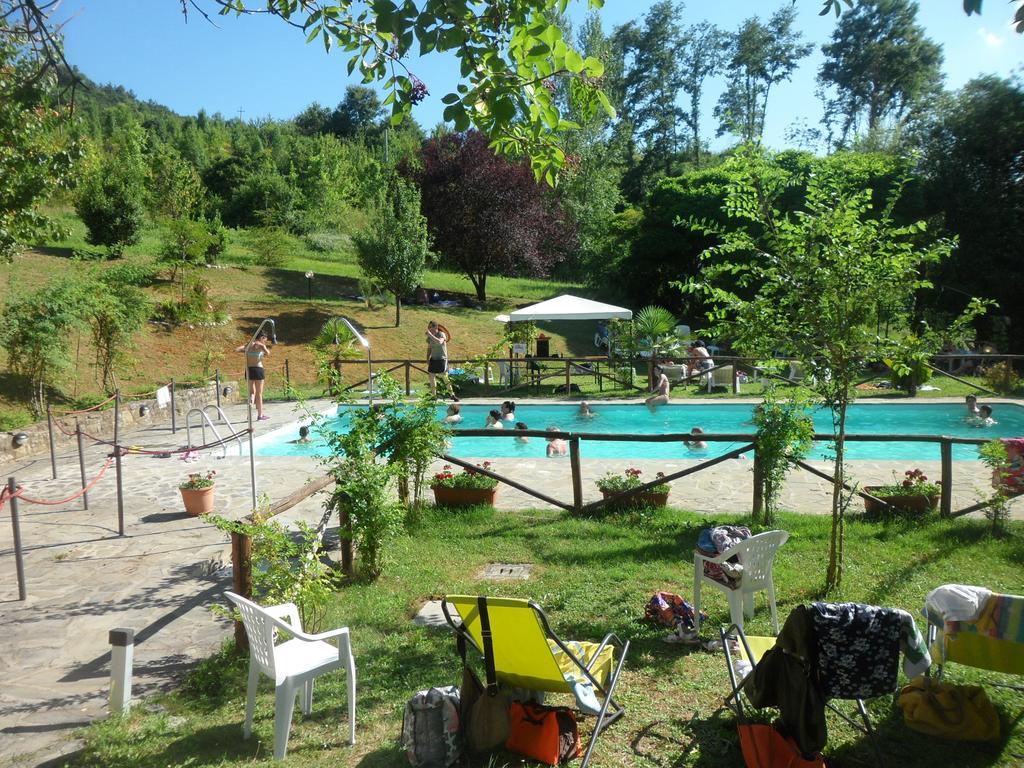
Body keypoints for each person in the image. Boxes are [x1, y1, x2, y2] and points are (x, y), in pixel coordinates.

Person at [236, 332, 271, 421]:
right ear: (262, 337)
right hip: (258, 369)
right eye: (265, 339)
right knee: (259, 394)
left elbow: (236, 349)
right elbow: (268, 353)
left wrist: (246, 350)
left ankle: (249, 415)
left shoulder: (248, 345)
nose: (265, 341)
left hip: (249, 370)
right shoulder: (260, 345)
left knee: (251, 393)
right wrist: (263, 347)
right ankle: (260, 415)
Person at [426, 321, 456, 400]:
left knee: (444, 376)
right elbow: (429, 348)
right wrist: (427, 358)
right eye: (428, 327)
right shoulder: (430, 337)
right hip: (433, 359)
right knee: (431, 376)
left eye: (430, 327)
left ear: (435, 327)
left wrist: (430, 335)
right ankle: (434, 396)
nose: (429, 329)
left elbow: (439, 342)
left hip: (442, 359)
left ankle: (452, 394)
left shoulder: (441, 334)